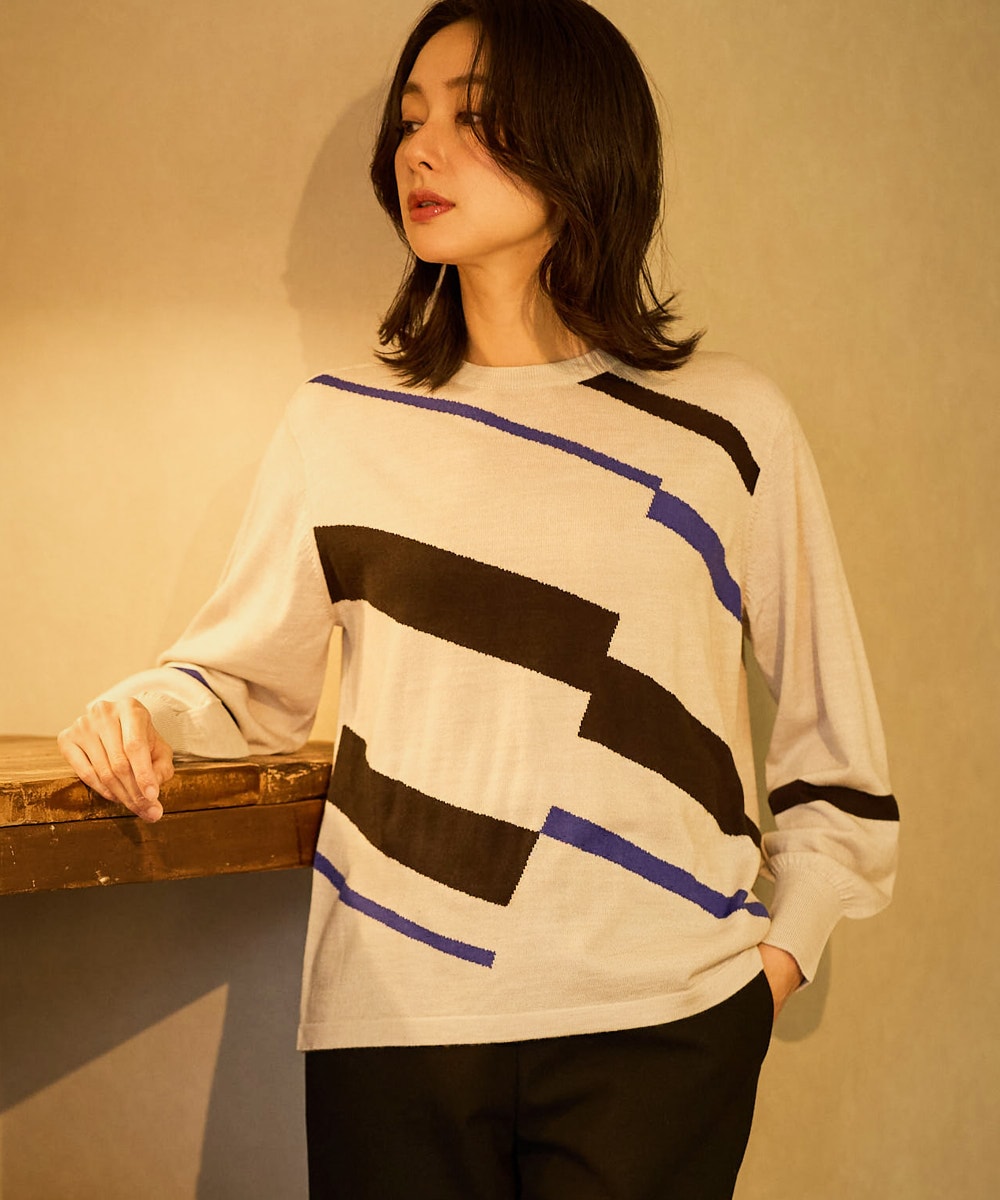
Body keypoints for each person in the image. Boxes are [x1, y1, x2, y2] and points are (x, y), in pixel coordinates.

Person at [57, 1, 899, 1196]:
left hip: (662, 1032)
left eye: (471, 117)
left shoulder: (725, 429)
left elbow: (838, 755)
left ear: (581, 140)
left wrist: (771, 969)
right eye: (410, 120)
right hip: (393, 1025)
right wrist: (141, 711)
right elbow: (241, 686)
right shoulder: (342, 426)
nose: (421, 148)